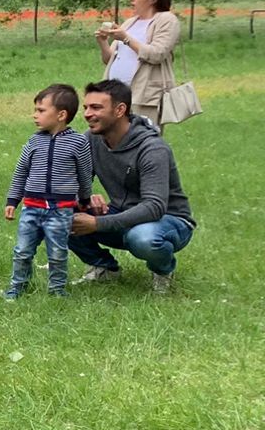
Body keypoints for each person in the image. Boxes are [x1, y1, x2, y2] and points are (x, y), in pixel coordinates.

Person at [68, 79, 194, 293]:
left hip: (168, 220)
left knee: (143, 238)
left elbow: (154, 207)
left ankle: (163, 271)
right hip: (122, 213)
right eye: (86, 107)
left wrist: (99, 223)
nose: (87, 114)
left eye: (96, 107)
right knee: (55, 213)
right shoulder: (91, 139)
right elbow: (71, 181)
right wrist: (85, 198)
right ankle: (104, 268)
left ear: (120, 110)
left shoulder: (152, 148)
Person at [1, 84, 93, 300]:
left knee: (58, 253)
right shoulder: (34, 141)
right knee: (22, 251)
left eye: (41, 110)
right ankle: (17, 287)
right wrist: (13, 200)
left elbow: (84, 174)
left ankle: (57, 290)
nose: (35, 115)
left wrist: (85, 199)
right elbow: (21, 172)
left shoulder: (78, 142)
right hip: (31, 208)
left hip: (60, 211)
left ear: (61, 115)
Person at [95, 0, 182, 123]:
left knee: (141, 140)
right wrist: (102, 42)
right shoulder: (130, 22)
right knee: (112, 140)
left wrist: (126, 39)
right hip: (114, 94)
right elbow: (109, 59)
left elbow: (157, 54)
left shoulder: (167, 20)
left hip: (144, 97)